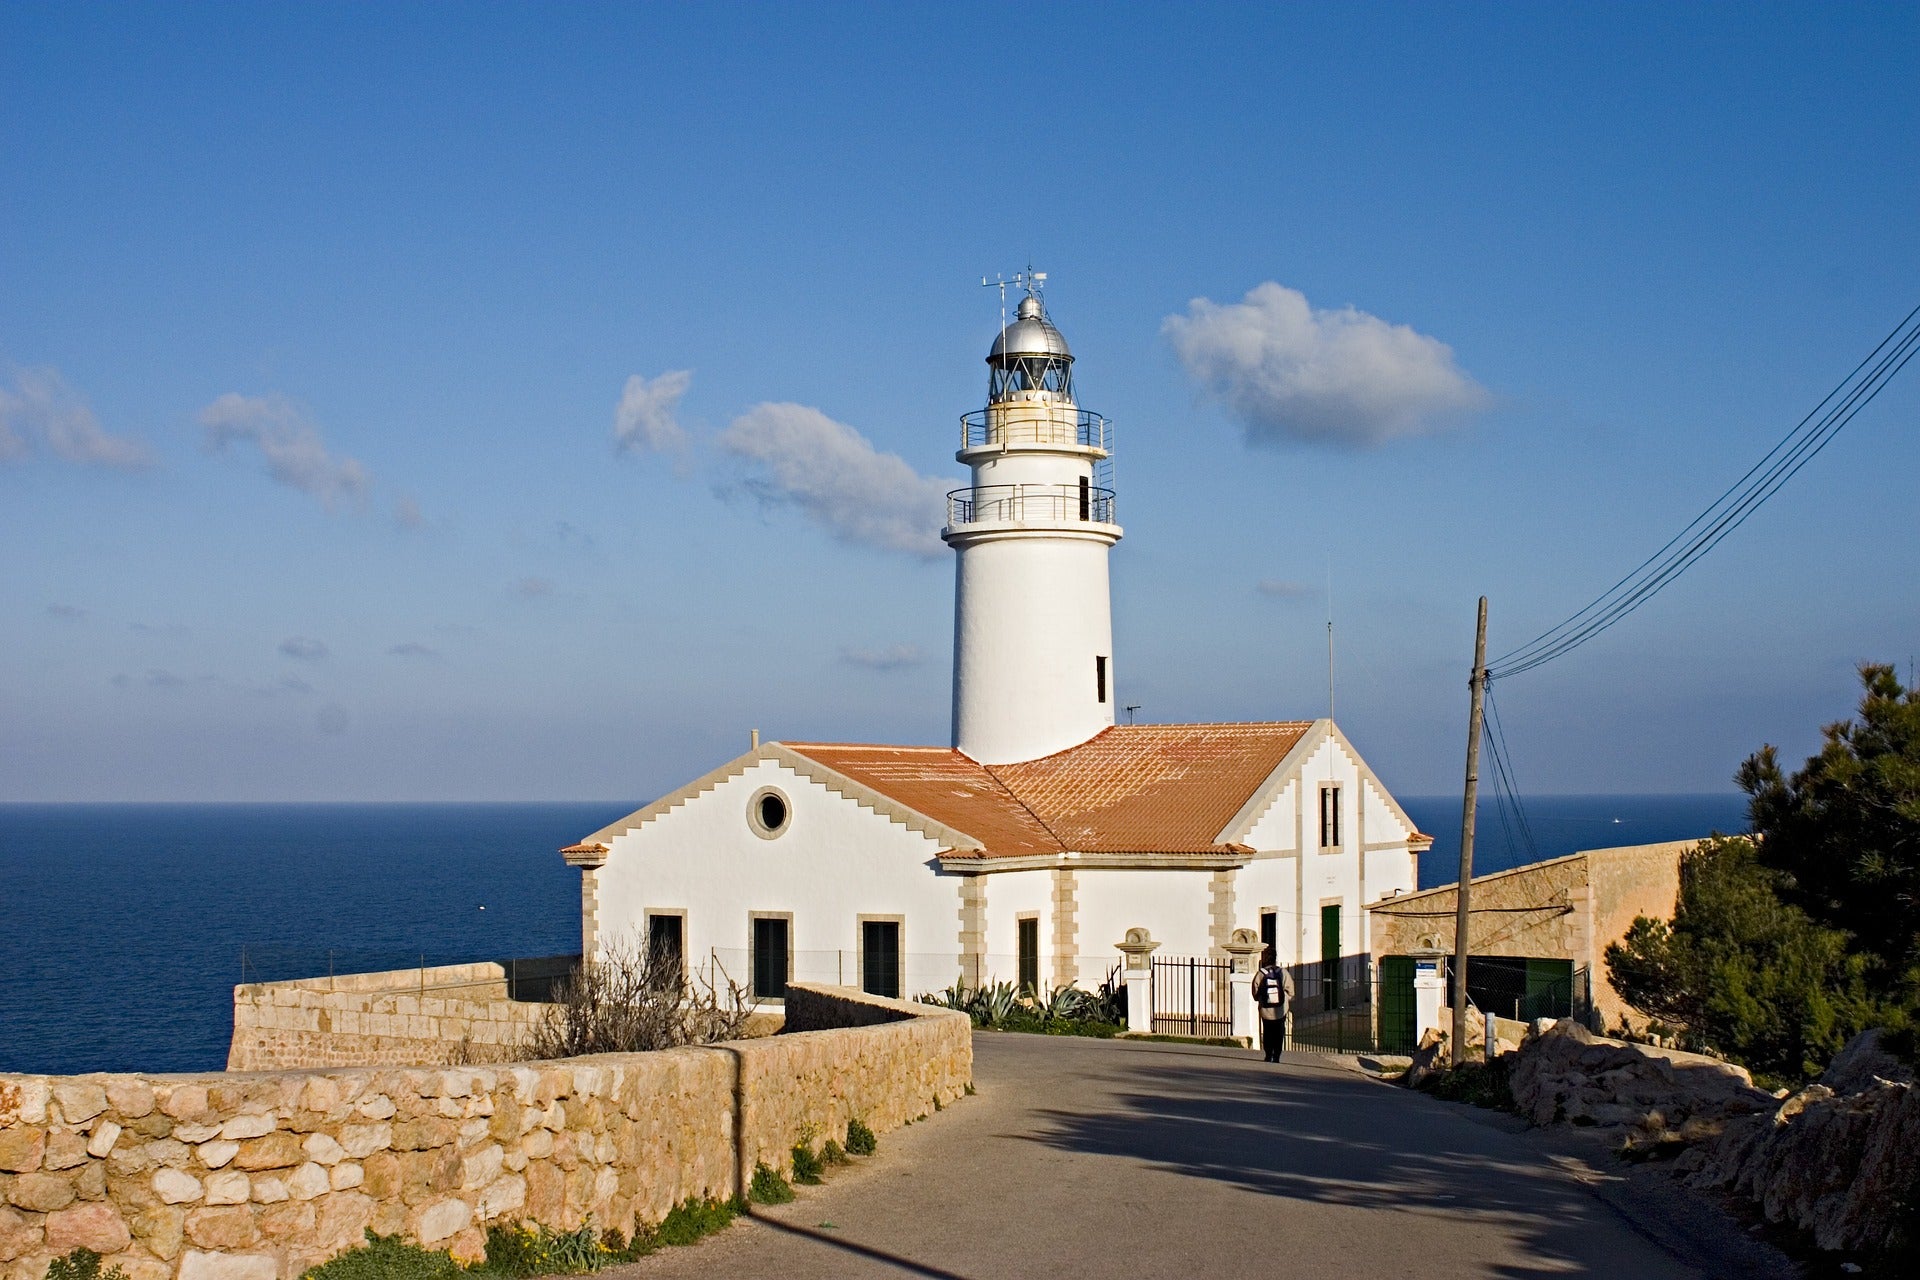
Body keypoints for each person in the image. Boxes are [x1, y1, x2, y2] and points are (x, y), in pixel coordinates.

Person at [1253, 945, 1293, 1062]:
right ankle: (1277, 1055)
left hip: (1265, 1010)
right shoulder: (1282, 972)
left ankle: (1268, 1054)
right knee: (1279, 1032)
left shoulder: (1261, 974)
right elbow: (1291, 990)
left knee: (1267, 1031)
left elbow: (1255, 991)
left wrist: (1259, 999)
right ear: (1275, 958)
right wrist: (1286, 998)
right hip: (1280, 1009)